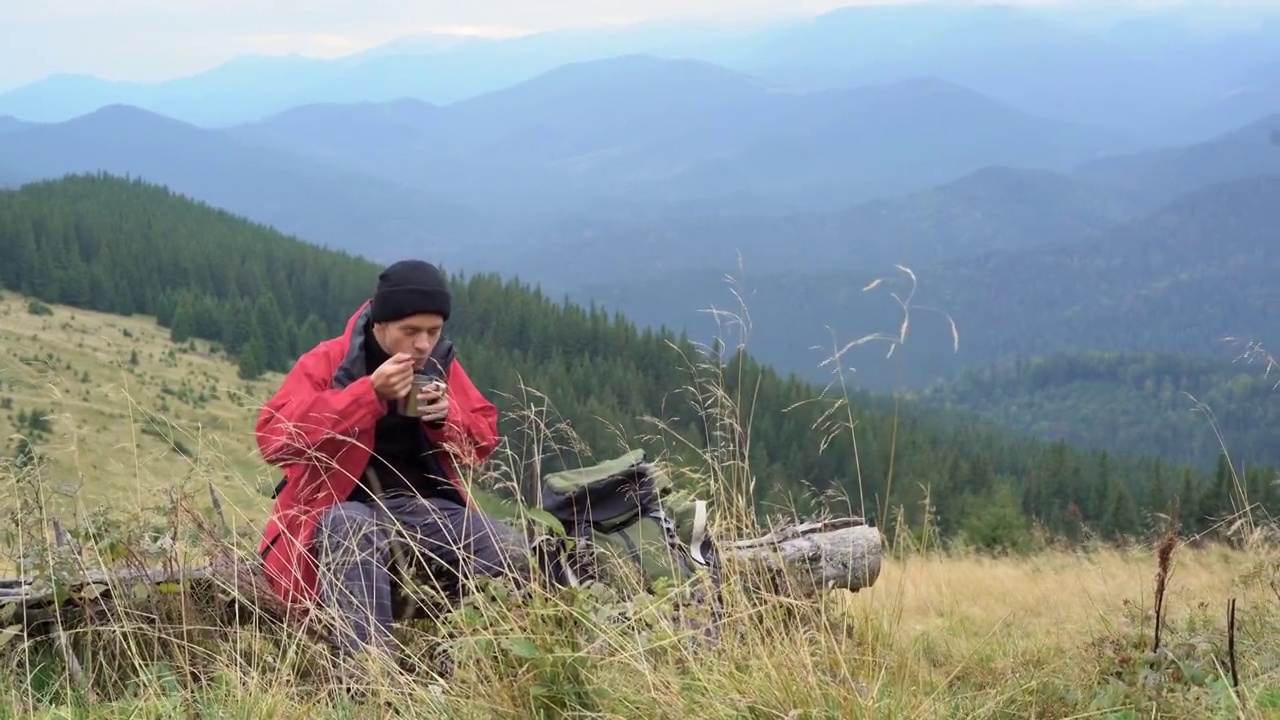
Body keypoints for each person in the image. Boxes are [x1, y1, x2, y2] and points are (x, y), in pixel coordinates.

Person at [254, 259, 529, 662]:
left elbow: (483, 441)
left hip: (427, 511)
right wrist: (368, 395)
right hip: (342, 511)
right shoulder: (330, 362)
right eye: (410, 331)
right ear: (380, 325)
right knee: (350, 528)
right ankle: (371, 680)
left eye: (433, 332)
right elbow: (274, 440)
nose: (422, 344)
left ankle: (458, 667)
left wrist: (446, 418)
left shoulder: (440, 363)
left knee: (513, 551)